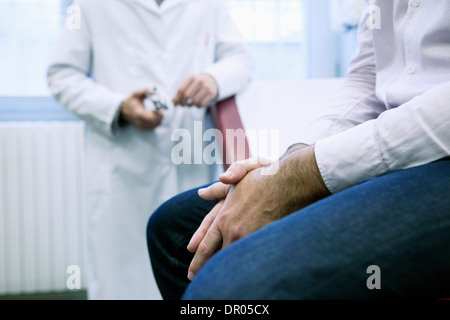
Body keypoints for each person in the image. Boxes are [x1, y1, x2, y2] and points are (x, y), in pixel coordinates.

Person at [147, 0, 450, 300]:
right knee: (174, 229)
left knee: (230, 285)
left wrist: (298, 177)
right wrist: (294, 156)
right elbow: (369, 76)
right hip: (394, 146)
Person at [47, 0, 252, 300]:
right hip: (122, 166)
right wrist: (118, 107)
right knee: (121, 278)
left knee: (184, 276)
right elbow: (61, 75)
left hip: (188, 160)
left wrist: (213, 78)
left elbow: (240, 60)